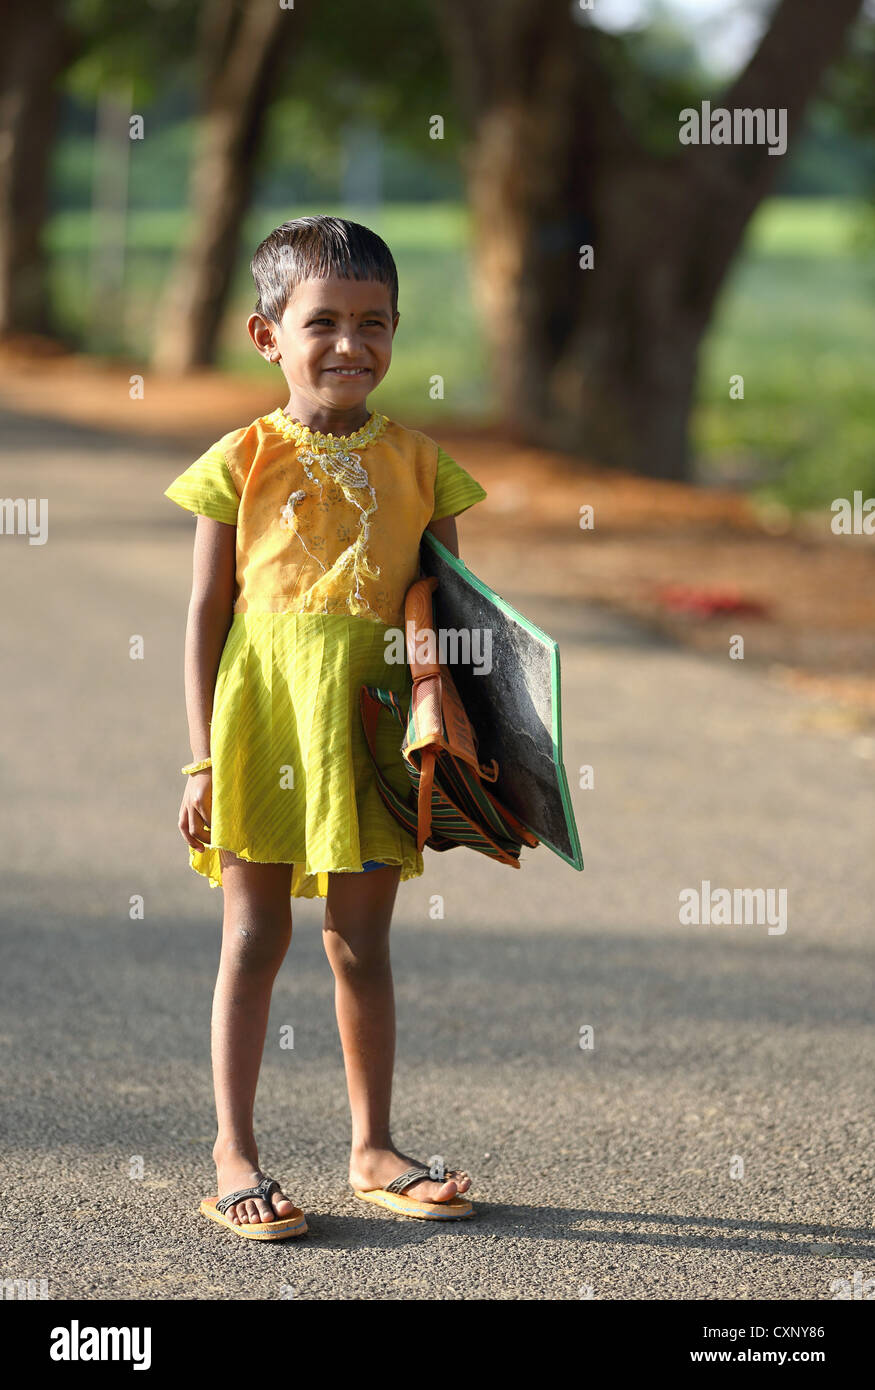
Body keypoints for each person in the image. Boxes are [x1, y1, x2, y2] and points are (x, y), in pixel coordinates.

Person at [164, 215, 487, 1240]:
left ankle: (373, 1147)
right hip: (261, 722)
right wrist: (201, 758)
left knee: (360, 943)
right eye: (324, 323)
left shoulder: (425, 466)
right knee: (253, 936)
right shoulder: (240, 459)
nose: (351, 345)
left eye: (374, 323)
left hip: (374, 724)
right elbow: (207, 613)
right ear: (267, 335)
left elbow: (458, 610)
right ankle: (233, 1155)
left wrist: (468, 739)